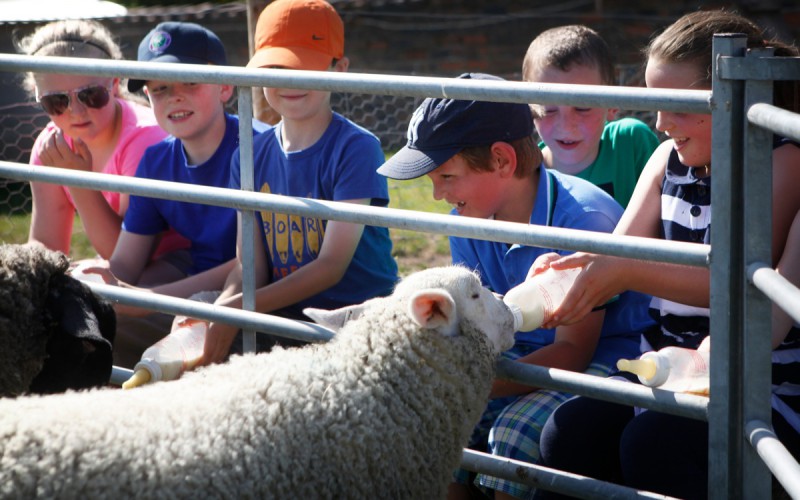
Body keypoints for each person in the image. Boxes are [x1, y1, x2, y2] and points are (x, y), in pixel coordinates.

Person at [534, 10, 800, 498]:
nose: (660, 123)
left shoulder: (780, 162)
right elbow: (618, 248)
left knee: (654, 446)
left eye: (678, 105)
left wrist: (624, 270)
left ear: (731, 95)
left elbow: (735, 281)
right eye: (658, 104)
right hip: (659, 366)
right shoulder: (666, 160)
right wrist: (571, 268)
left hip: (754, 382)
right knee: (566, 434)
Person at [376, 72, 654, 500]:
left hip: (605, 359)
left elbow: (574, 351)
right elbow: (473, 321)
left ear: (502, 161)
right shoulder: (465, 220)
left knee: (512, 436)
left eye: (447, 177)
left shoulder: (583, 221)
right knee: (436, 420)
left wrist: (468, 382)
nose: (436, 195)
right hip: (518, 352)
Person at [198, 0, 398, 364]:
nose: (289, 78)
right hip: (285, 310)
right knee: (199, 319)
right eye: (275, 66)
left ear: (339, 69)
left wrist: (240, 308)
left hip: (355, 318)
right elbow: (252, 265)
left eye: (304, 64)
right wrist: (223, 308)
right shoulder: (249, 156)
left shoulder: (357, 148)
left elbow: (331, 266)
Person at [94, 22, 269, 367]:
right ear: (147, 98)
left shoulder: (259, 149)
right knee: (91, 324)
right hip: (194, 292)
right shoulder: (156, 162)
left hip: (254, 294)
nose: (175, 96)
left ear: (224, 86)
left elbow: (253, 264)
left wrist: (150, 299)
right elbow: (126, 263)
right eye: (159, 89)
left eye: (190, 81)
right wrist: (98, 282)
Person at [15, 19, 184, 262]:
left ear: (114, 84)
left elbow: (128, 258)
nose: (76, 111)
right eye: (57, 101)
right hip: (125, 269)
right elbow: (47, 247)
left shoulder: (144, 138)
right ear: (37, 95)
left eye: (90, 95)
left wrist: (77, 182)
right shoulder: (50, 147)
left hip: (178, 264)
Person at [522, 24, 660, 208]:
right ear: (528, 108)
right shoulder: (524, 174)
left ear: (611, 104)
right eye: (548, 110)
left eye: (582, 108)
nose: (566, 125)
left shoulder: (630, 142)